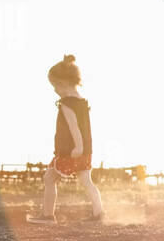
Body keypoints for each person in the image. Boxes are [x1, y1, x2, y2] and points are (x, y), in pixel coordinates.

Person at [26, 54, 105, 223]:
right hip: (86, 149)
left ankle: (48, 216)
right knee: (87, 181)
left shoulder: (66, 104)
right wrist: (83, 148)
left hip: (72, 150)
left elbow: (74, 127)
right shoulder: (82, 102)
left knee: (49, 178)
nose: (55, 90)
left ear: (62, 83)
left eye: (54, 86)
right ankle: (99, 213)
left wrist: (77, 147)